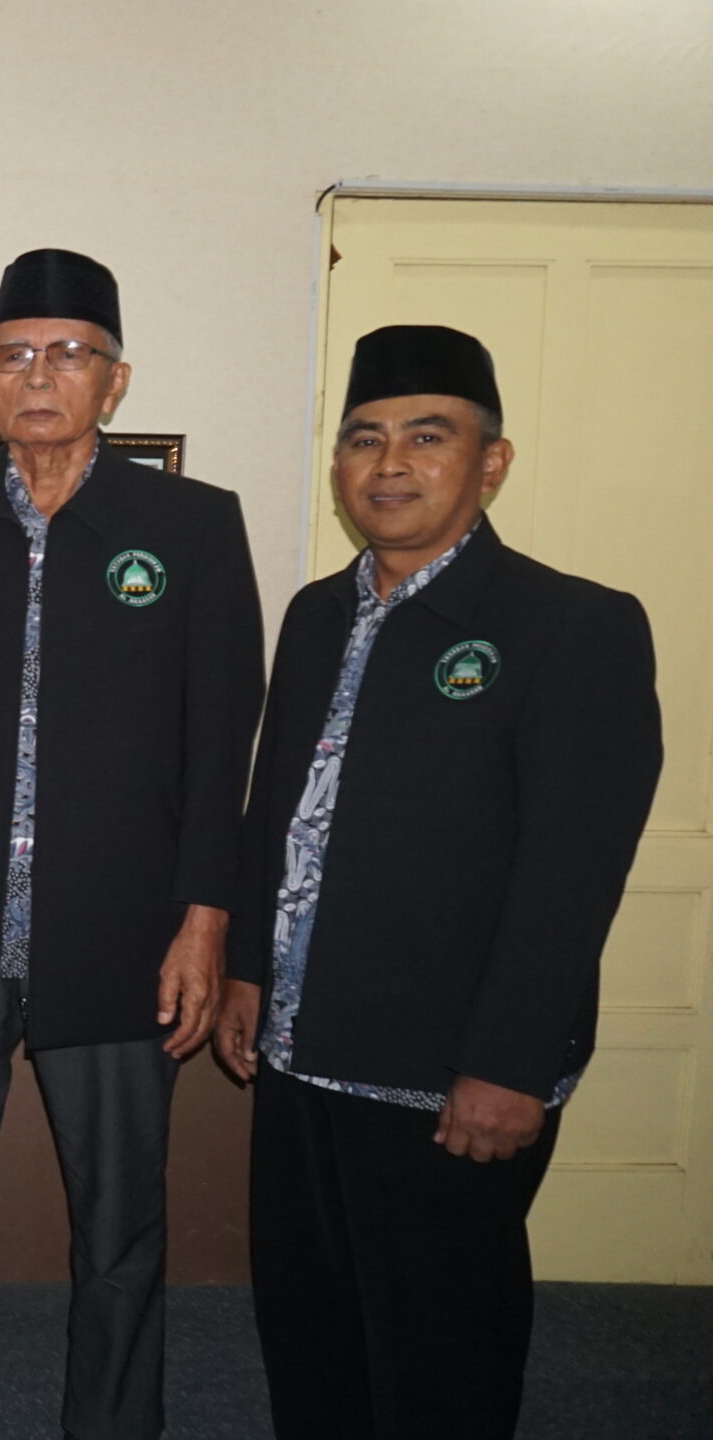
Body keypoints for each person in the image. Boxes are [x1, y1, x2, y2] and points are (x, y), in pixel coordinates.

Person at [0, 249, 265, 1440]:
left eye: (69, 354)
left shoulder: (189, 525)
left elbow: (220, 742)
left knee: (120, 1227)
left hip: (122, 939)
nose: (39, 375)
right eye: (14, 355)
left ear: (113, 382)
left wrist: (204, 921)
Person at [214, 324, 661, 1440]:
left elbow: (572, 870)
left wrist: (508, 1063)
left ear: (490, 463)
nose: (390, 464)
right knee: (310, 1328)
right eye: (364, 438)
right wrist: (247, 971)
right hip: (300, 1050)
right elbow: (278, 812)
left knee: (438, 1349)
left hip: (447, 1072)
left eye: (427, 436)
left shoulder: (573, 626)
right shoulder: (317, 614)